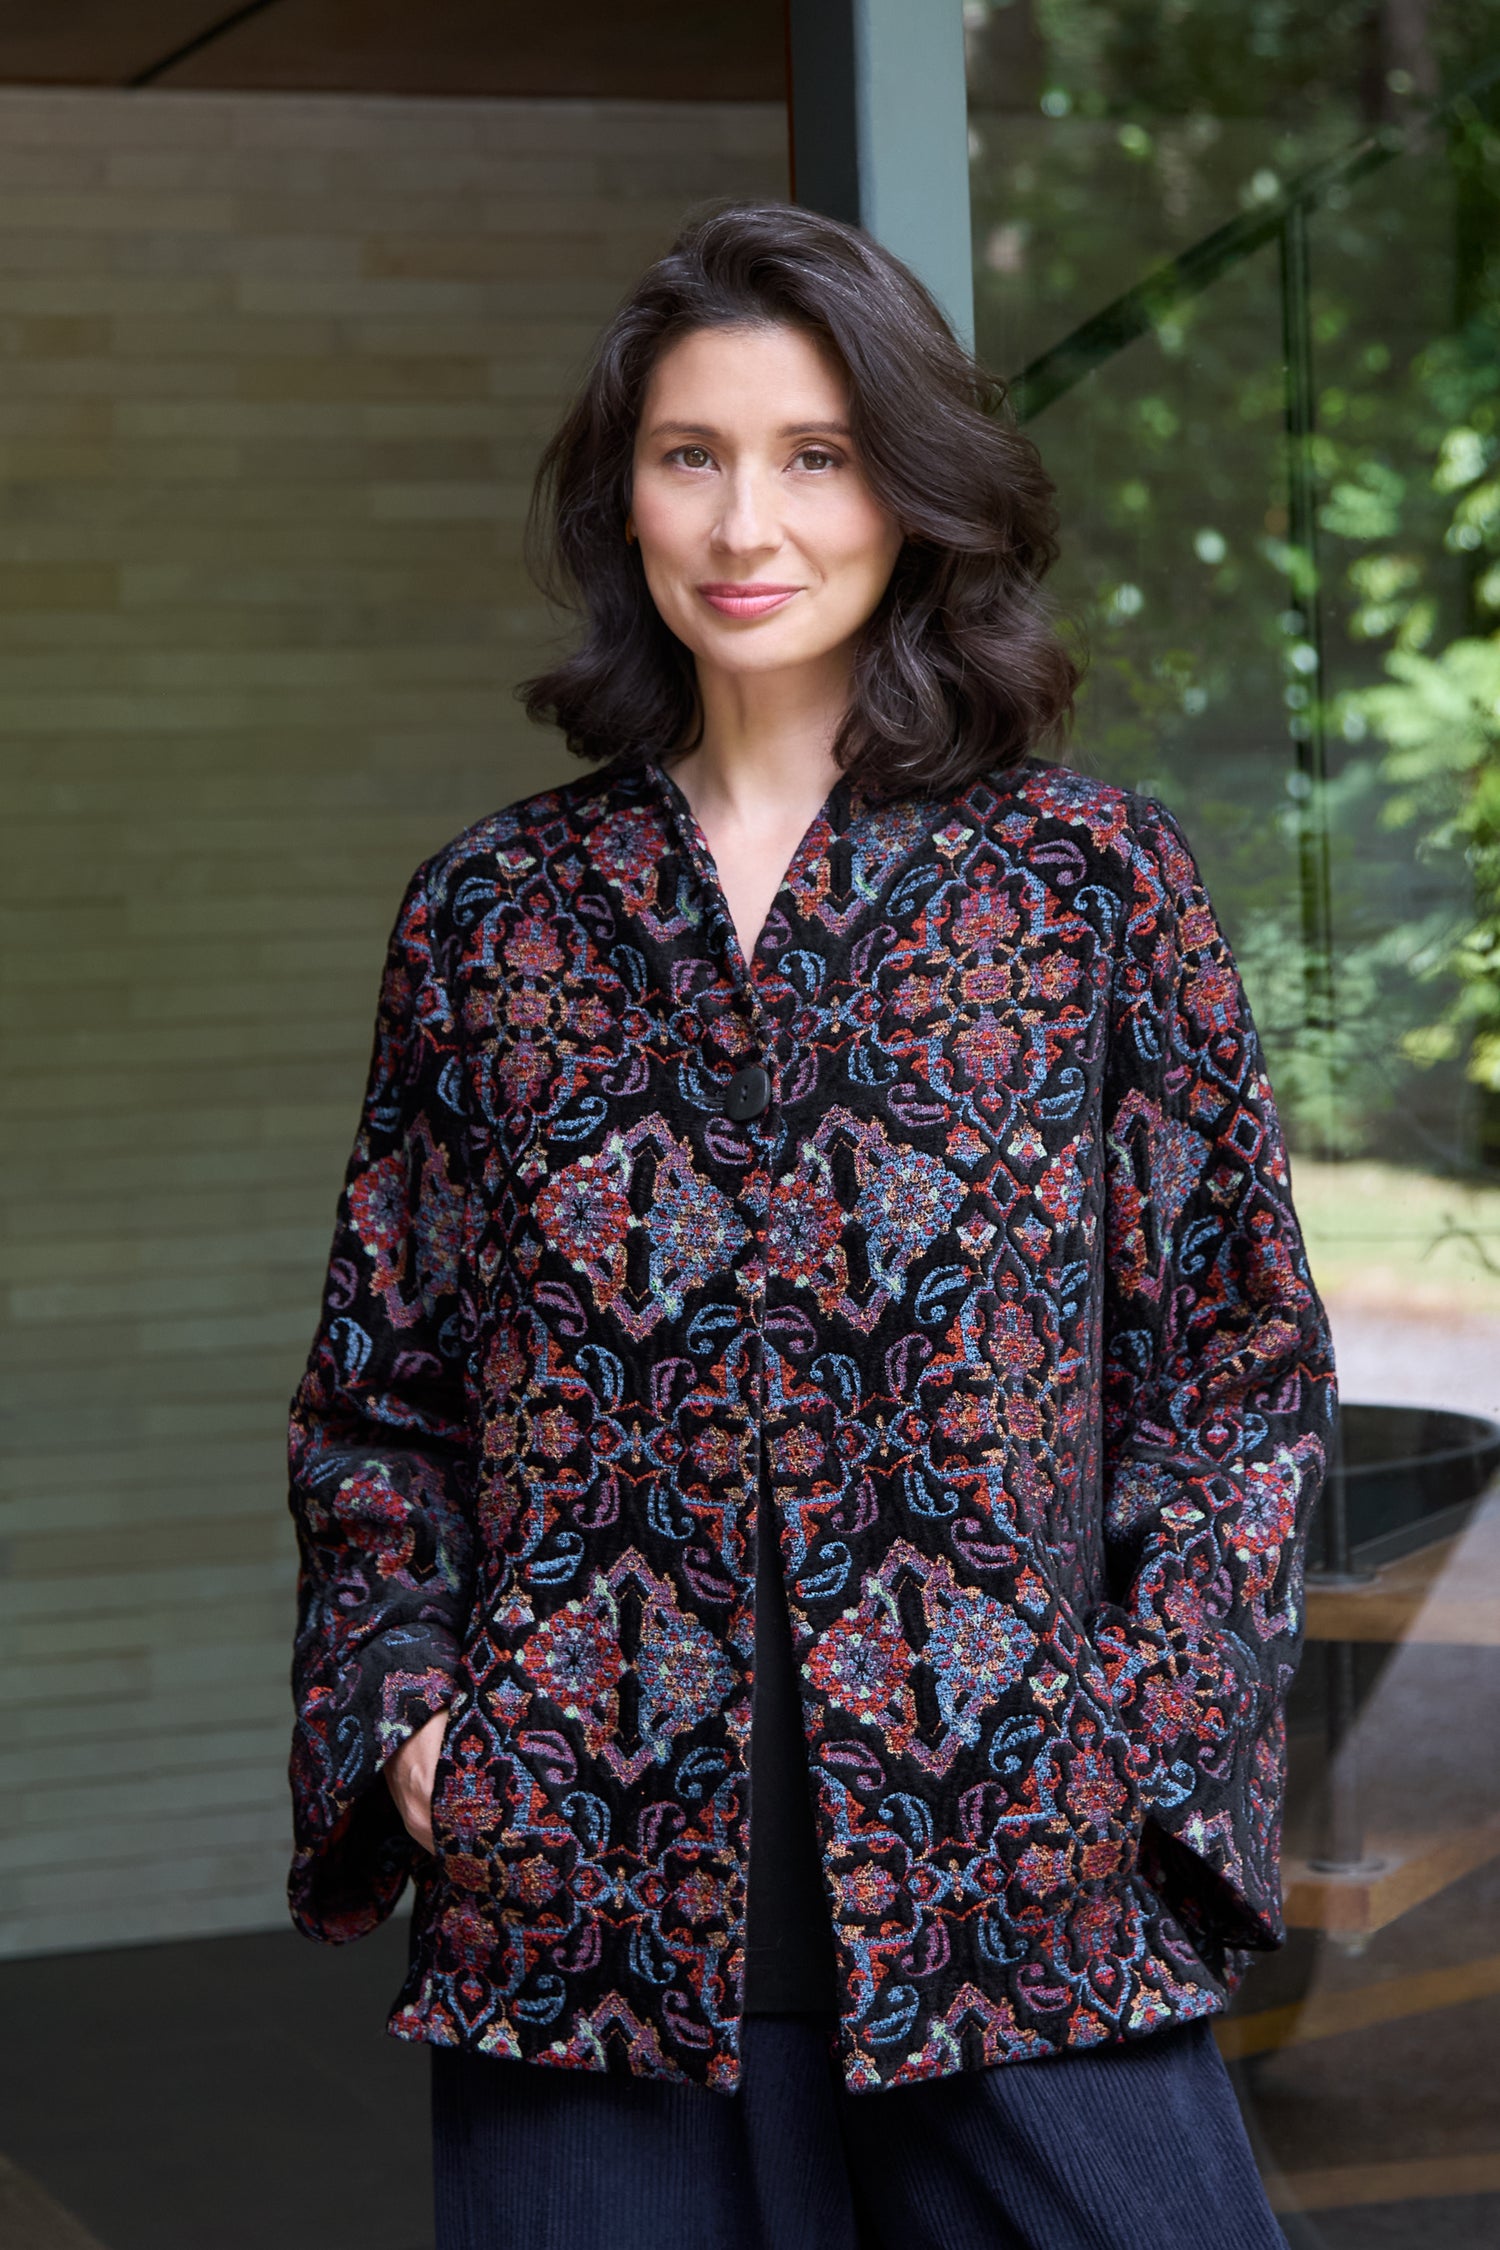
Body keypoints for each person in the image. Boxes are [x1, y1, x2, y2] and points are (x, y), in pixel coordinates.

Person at [286, 202, 1335, 2249]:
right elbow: (379, 1391)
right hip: (583, 1906)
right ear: (627, 500)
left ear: (915, 492)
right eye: (692, 455)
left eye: (815, 453)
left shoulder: (1089, 887)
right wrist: (407, 1716)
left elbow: (1242, 1368)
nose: (745, 519)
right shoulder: (493, 918)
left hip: (1013, 1889)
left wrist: (1134, 1739)